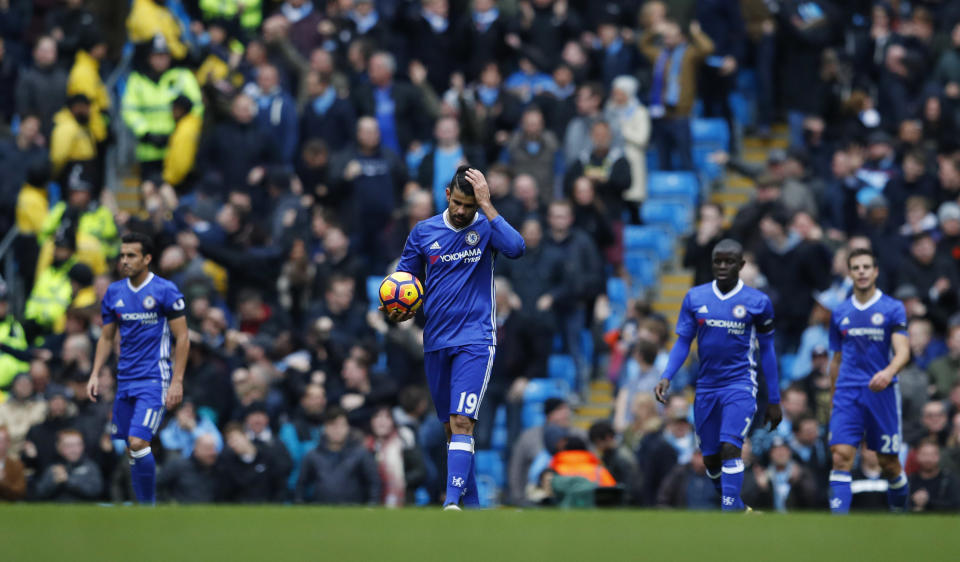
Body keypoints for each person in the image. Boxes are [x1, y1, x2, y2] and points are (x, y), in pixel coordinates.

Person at [389, 166, 525, 510]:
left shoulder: (486, 227)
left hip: (476, 339)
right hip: (435, 341)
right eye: (459, 203)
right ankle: (473, 506)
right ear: (447, 196)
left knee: (463, 421)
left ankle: (450, 503)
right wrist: (399, 307)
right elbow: (405, 279)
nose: (464, 211)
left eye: (471, 205)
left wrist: (488, 206)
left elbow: (517, 248)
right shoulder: (423, 232)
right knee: (452, 429)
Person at [655, 239, 782, 511]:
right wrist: (667, 375)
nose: (722, 266)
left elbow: (768, 351)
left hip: (740, 384)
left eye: (729, 261)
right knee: (710, 459)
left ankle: (728, 514)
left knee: (730, 447)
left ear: (741, 265)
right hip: (706, 386)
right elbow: (682, 342)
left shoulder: (757, 302)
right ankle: (736, 508)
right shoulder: (695, 297)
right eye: (718, 261)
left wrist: (774, 399)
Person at [86, 232, 191, 505]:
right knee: (130, 450)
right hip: (125, 380)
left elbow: (183, 338)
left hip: (154, 379)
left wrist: (176, 381)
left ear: (147, 258)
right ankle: (140, 507)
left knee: (138, 442)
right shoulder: (114, 292)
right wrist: (95, 373)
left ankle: (148, 506)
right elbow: (107, 337)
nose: (125, 260)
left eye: (131, 255)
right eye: (122, 255)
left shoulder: (165, 290)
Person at [826, 247, 911, 514]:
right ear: (849, 273)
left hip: (881, 392)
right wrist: (833, 397)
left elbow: (903, 351)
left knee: (888, 463)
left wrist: (888, 372)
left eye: (866, 267)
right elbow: (837, 359)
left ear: (875, 272)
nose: (861, 272)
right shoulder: (840, 312)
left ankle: (901, 514)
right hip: (847, 392)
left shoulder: (892, 308)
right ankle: (838, 526)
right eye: (855, 268)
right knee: (840, 456)